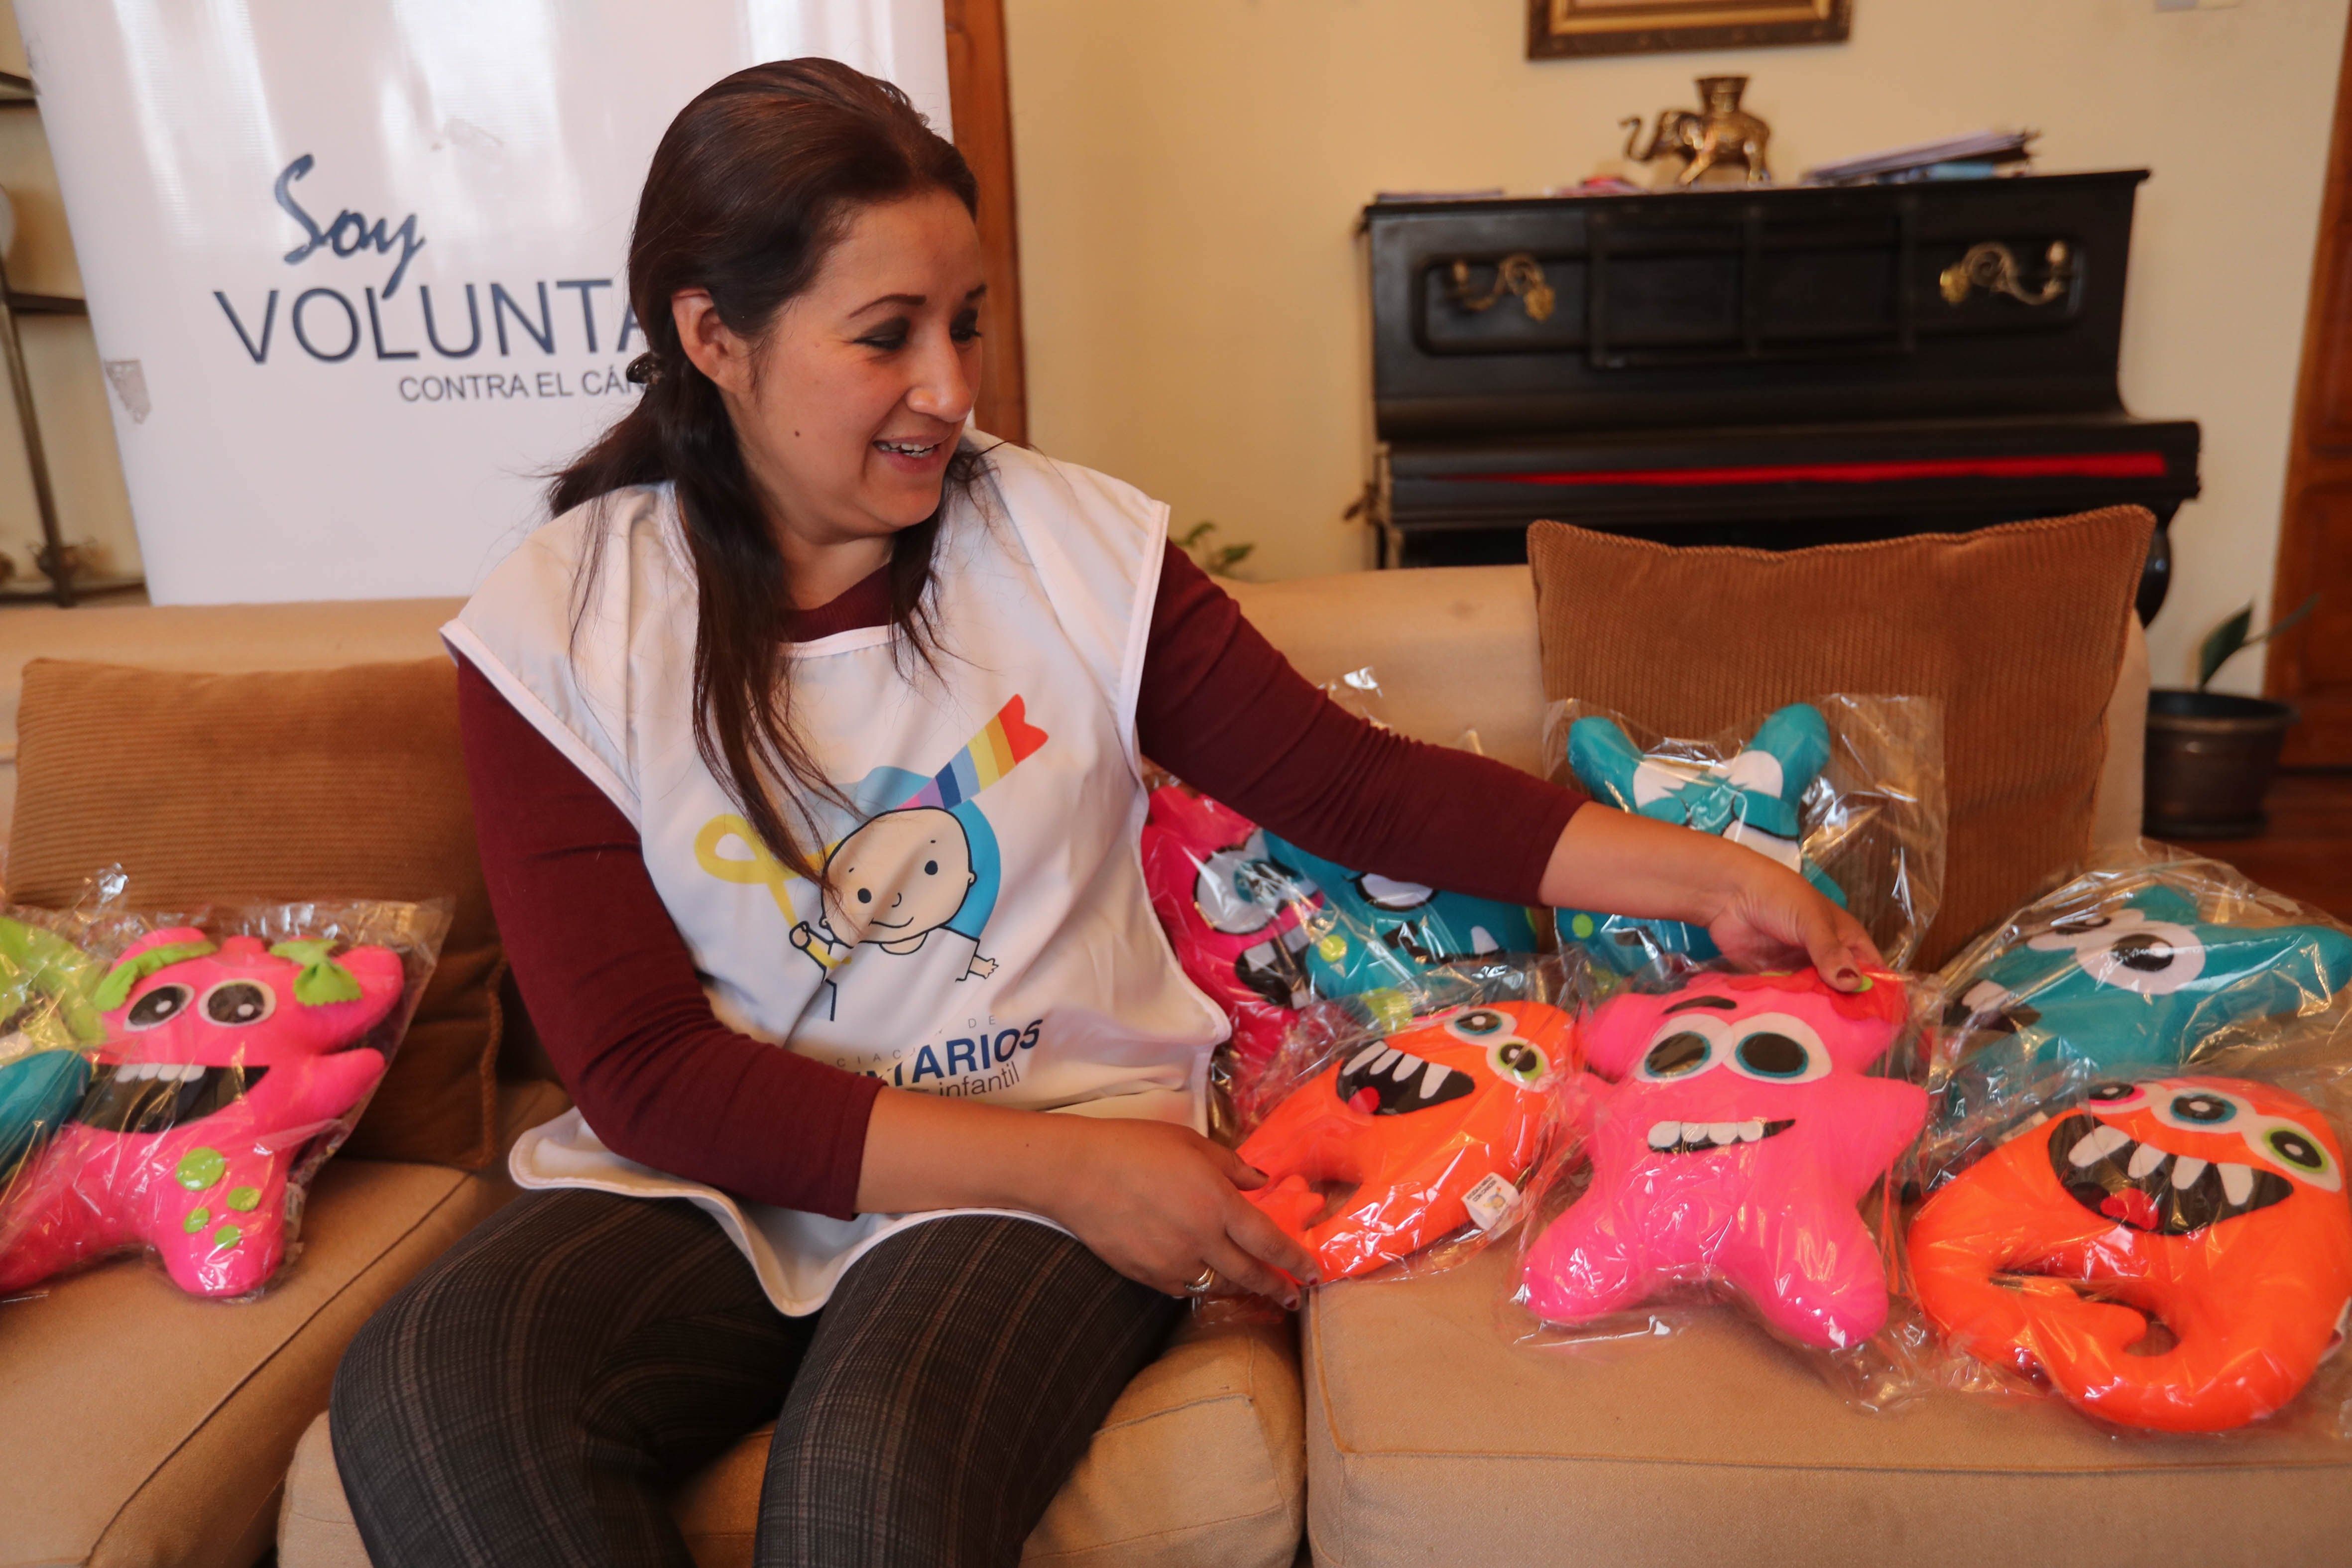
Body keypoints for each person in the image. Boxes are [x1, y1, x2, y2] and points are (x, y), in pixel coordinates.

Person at [330, 59, 1880, 1568]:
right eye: (886, 338)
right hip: (724, 1183)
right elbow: (646, 1074)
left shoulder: (1068, 549)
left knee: (871, 1479)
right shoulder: (566, 619)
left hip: (1049, 1132)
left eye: (967, 324)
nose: (949, 388)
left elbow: (1355, 787)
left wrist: (1705, 874)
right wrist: (1079, 1180)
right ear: (713, 337)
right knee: (430, 1400)